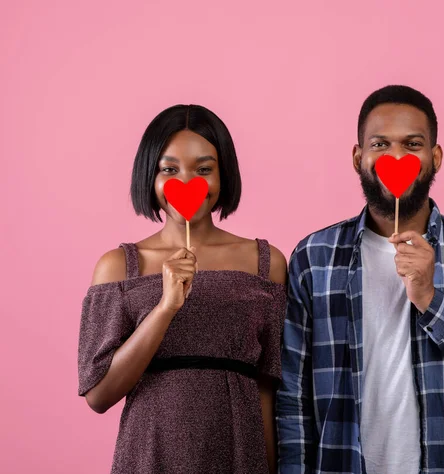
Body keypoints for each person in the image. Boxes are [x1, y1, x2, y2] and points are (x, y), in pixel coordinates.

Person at [276, 85, 444, 473]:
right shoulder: (314, 258)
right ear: (358, 157)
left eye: (413, 143)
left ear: (435, 157)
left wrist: (432, 301)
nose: (396, 156)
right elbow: (293, 397)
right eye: (380, 144)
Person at [77, 104, 287, 473]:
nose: (188, 183)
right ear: (150, 175)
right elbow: (99, 394)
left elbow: (268, 388)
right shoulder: (118, 266)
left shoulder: (265, 263)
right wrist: (165, 307)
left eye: (203, 169)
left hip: (239, 451)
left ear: (224, 175)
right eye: (169, 169)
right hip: (149, 452)